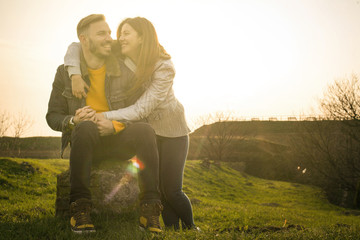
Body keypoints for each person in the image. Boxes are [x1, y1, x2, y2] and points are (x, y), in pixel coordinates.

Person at [64, 17, 198, 231]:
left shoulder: (164, 66)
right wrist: (75, 74)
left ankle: (190, 228)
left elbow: (141, 109)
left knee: (172, 189)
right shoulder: (121, 52)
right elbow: (76, 46)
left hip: (171, 131)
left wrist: (103, 116)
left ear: (142, 38)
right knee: (160, 188)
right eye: (120, 33)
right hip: (145, 129)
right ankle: (174, 229)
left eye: (126, 33)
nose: (120, 38)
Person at [46, 14, 163, 234]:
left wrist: (115, 125)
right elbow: (52, 116)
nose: (110, 38)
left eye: (110, 33)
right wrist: (73, 120)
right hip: (86, 142)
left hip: (118, 141)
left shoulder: (122, 71)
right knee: (85, 126)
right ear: (84, 39)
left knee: (145, 130)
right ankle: (79, 209)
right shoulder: (65, 73)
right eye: (102, 33)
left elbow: (139, 115)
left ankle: (150, 210)